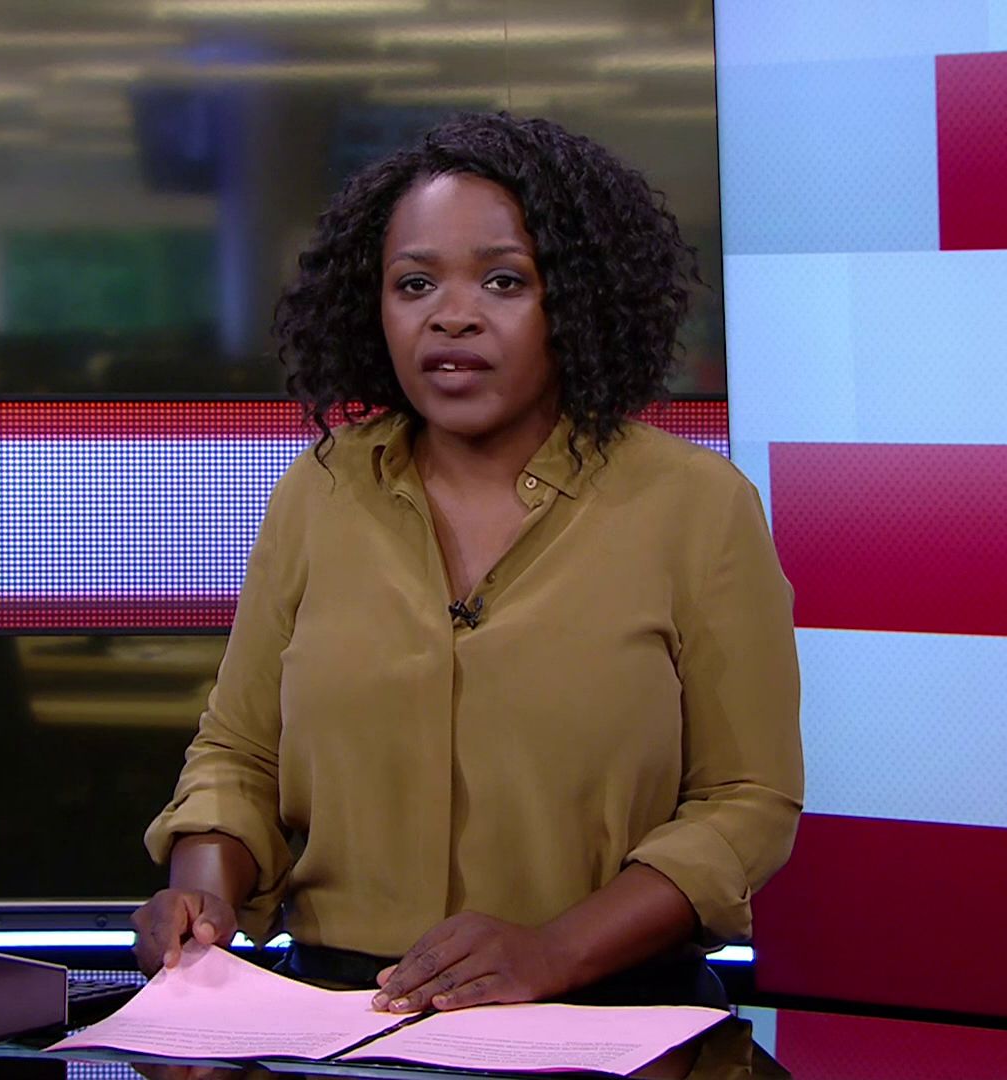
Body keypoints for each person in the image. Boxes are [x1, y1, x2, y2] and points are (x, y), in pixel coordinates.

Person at [134, 113, 802, 1012]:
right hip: (337, 1014)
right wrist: (202, 894)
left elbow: (746, 800)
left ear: (575, 300)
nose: (451, 315)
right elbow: (240, 754)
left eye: (504, 280)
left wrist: (556, 952)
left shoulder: (696, 506)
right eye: (414, 283)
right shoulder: (321, 489)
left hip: (607, 1015)